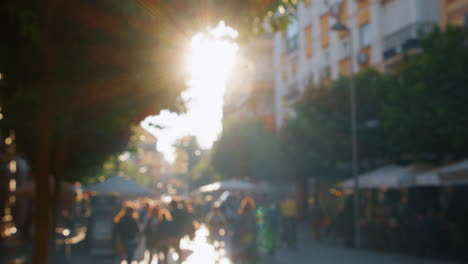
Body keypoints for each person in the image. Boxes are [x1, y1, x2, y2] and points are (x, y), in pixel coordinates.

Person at [233, 196, 258, 262]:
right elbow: (256, 225)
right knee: (248, 252)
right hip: (248, 235)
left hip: (245, 235)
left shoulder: (241, 213)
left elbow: (237, 225)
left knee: (245, 252)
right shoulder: (253, 213)